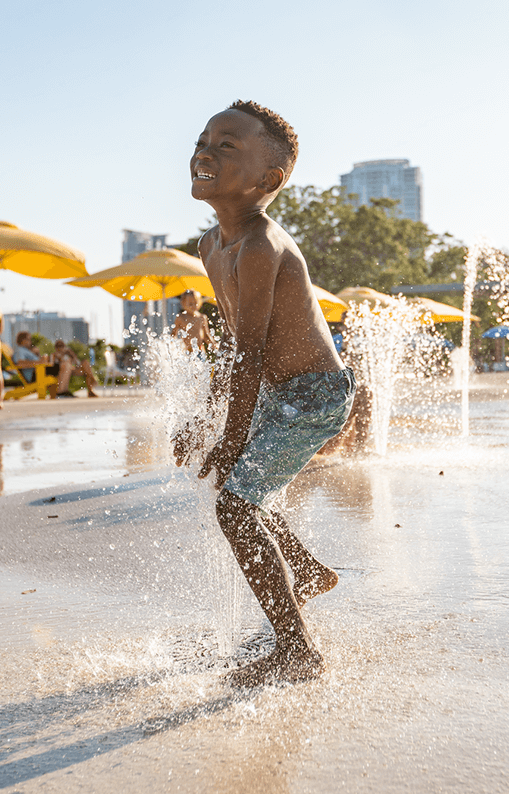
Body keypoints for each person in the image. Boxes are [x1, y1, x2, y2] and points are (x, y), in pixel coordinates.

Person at [174, 100, 354, 687]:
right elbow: (230, 346)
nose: (205, 150)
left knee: (236, 503)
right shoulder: (209, 246)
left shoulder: (260, 247)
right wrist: (208, 417)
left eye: (228, 146)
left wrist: (229, 435)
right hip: (281, 390)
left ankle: (298, 649)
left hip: (316, 393)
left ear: (268, 179)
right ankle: (304, 572)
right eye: (204, 139)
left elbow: (251, 349)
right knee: (241, 494)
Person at [172, 289, 216, 354]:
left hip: (200, 350)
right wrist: (172, 346)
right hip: (187, 351)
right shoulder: (181, 318)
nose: (193, 306)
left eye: (196, 303)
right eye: (190, 304)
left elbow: (206, 335)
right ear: (183, 304)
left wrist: (214, 344)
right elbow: (173, 333)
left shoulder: (202, 317)